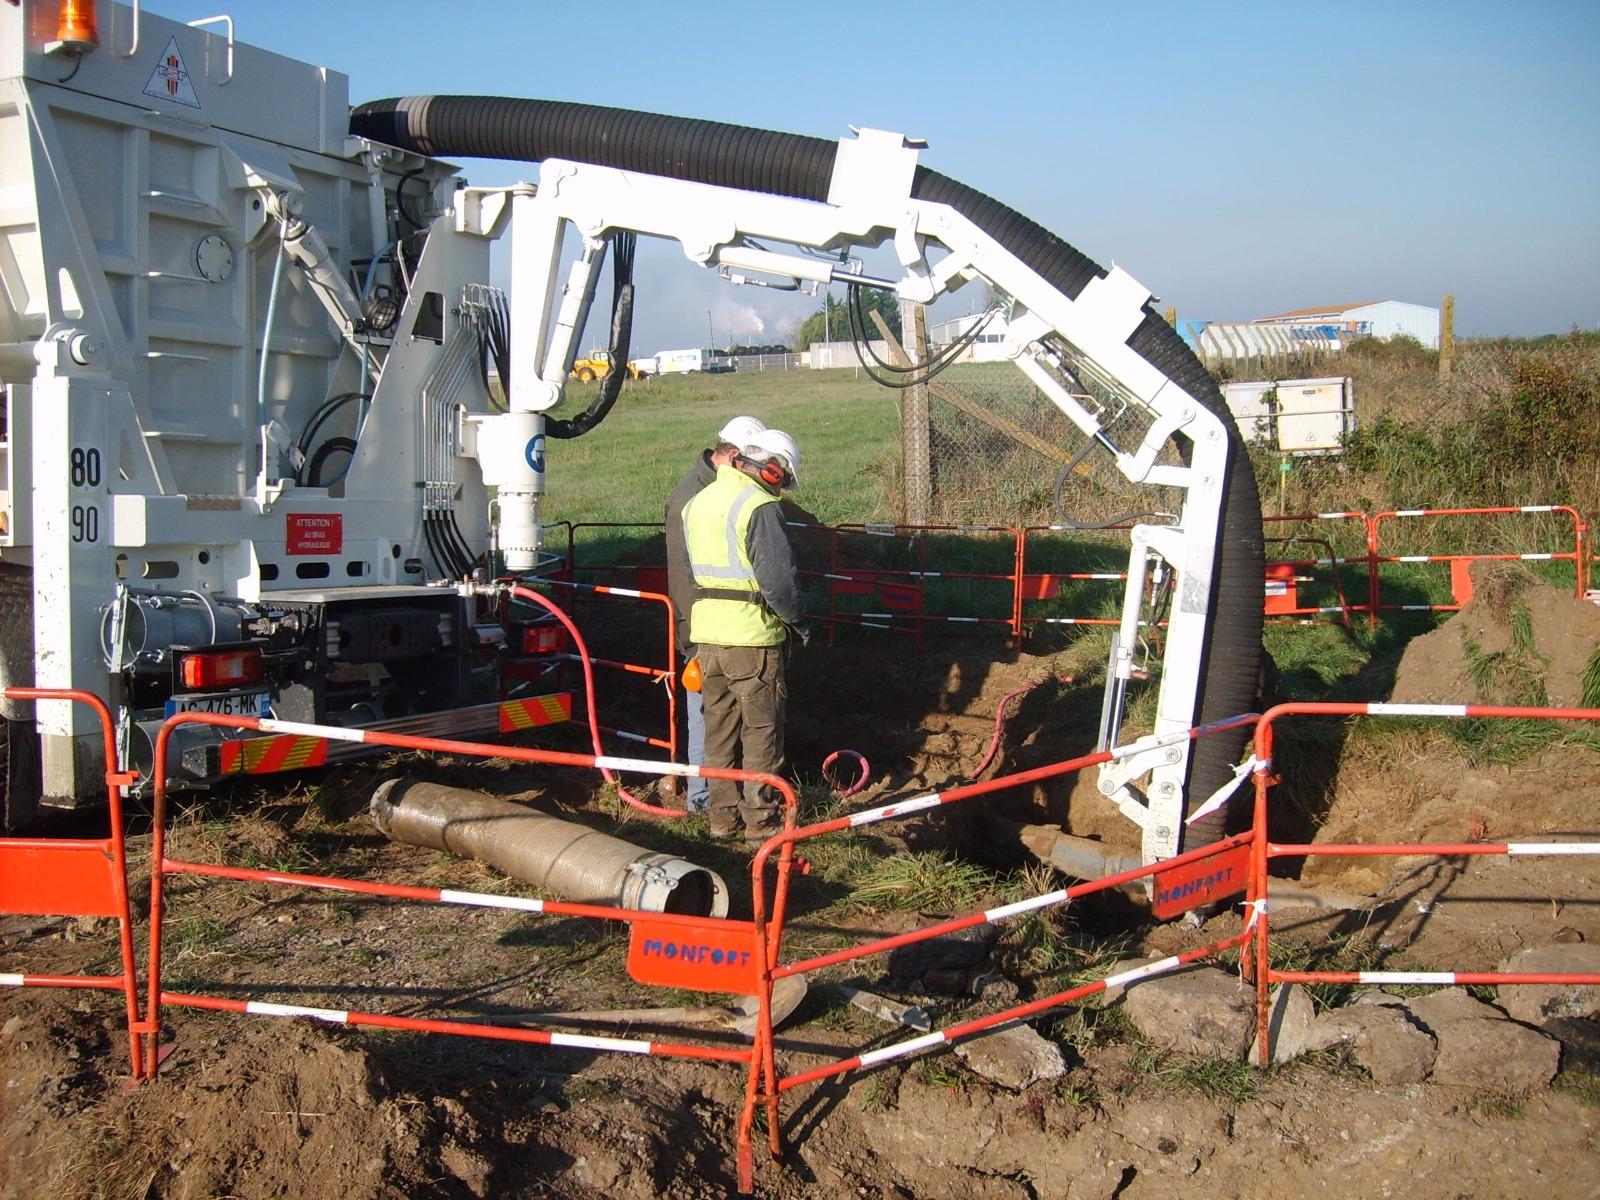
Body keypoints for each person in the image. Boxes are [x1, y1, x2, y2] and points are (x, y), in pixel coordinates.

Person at [680, 427, 806, 843]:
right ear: (772, 470)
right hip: (752, 638)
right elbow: (778, 581)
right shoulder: (758, 506)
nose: (781, 487)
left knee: (719, 731)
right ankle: (761, 826)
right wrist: (800, 623)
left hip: (708, 637)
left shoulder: (697, 503)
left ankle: (722, 821)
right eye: (782, 478)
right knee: (761, 733)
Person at [665, 415, 767, 812]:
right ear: (736, 455)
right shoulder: (693, 498)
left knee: (721, 718)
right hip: (705, 631)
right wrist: (693, 639)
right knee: (709, 718)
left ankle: (719, 800)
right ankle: (704, 801)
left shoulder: (714, 489)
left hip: (723, 628)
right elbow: (685, 576)